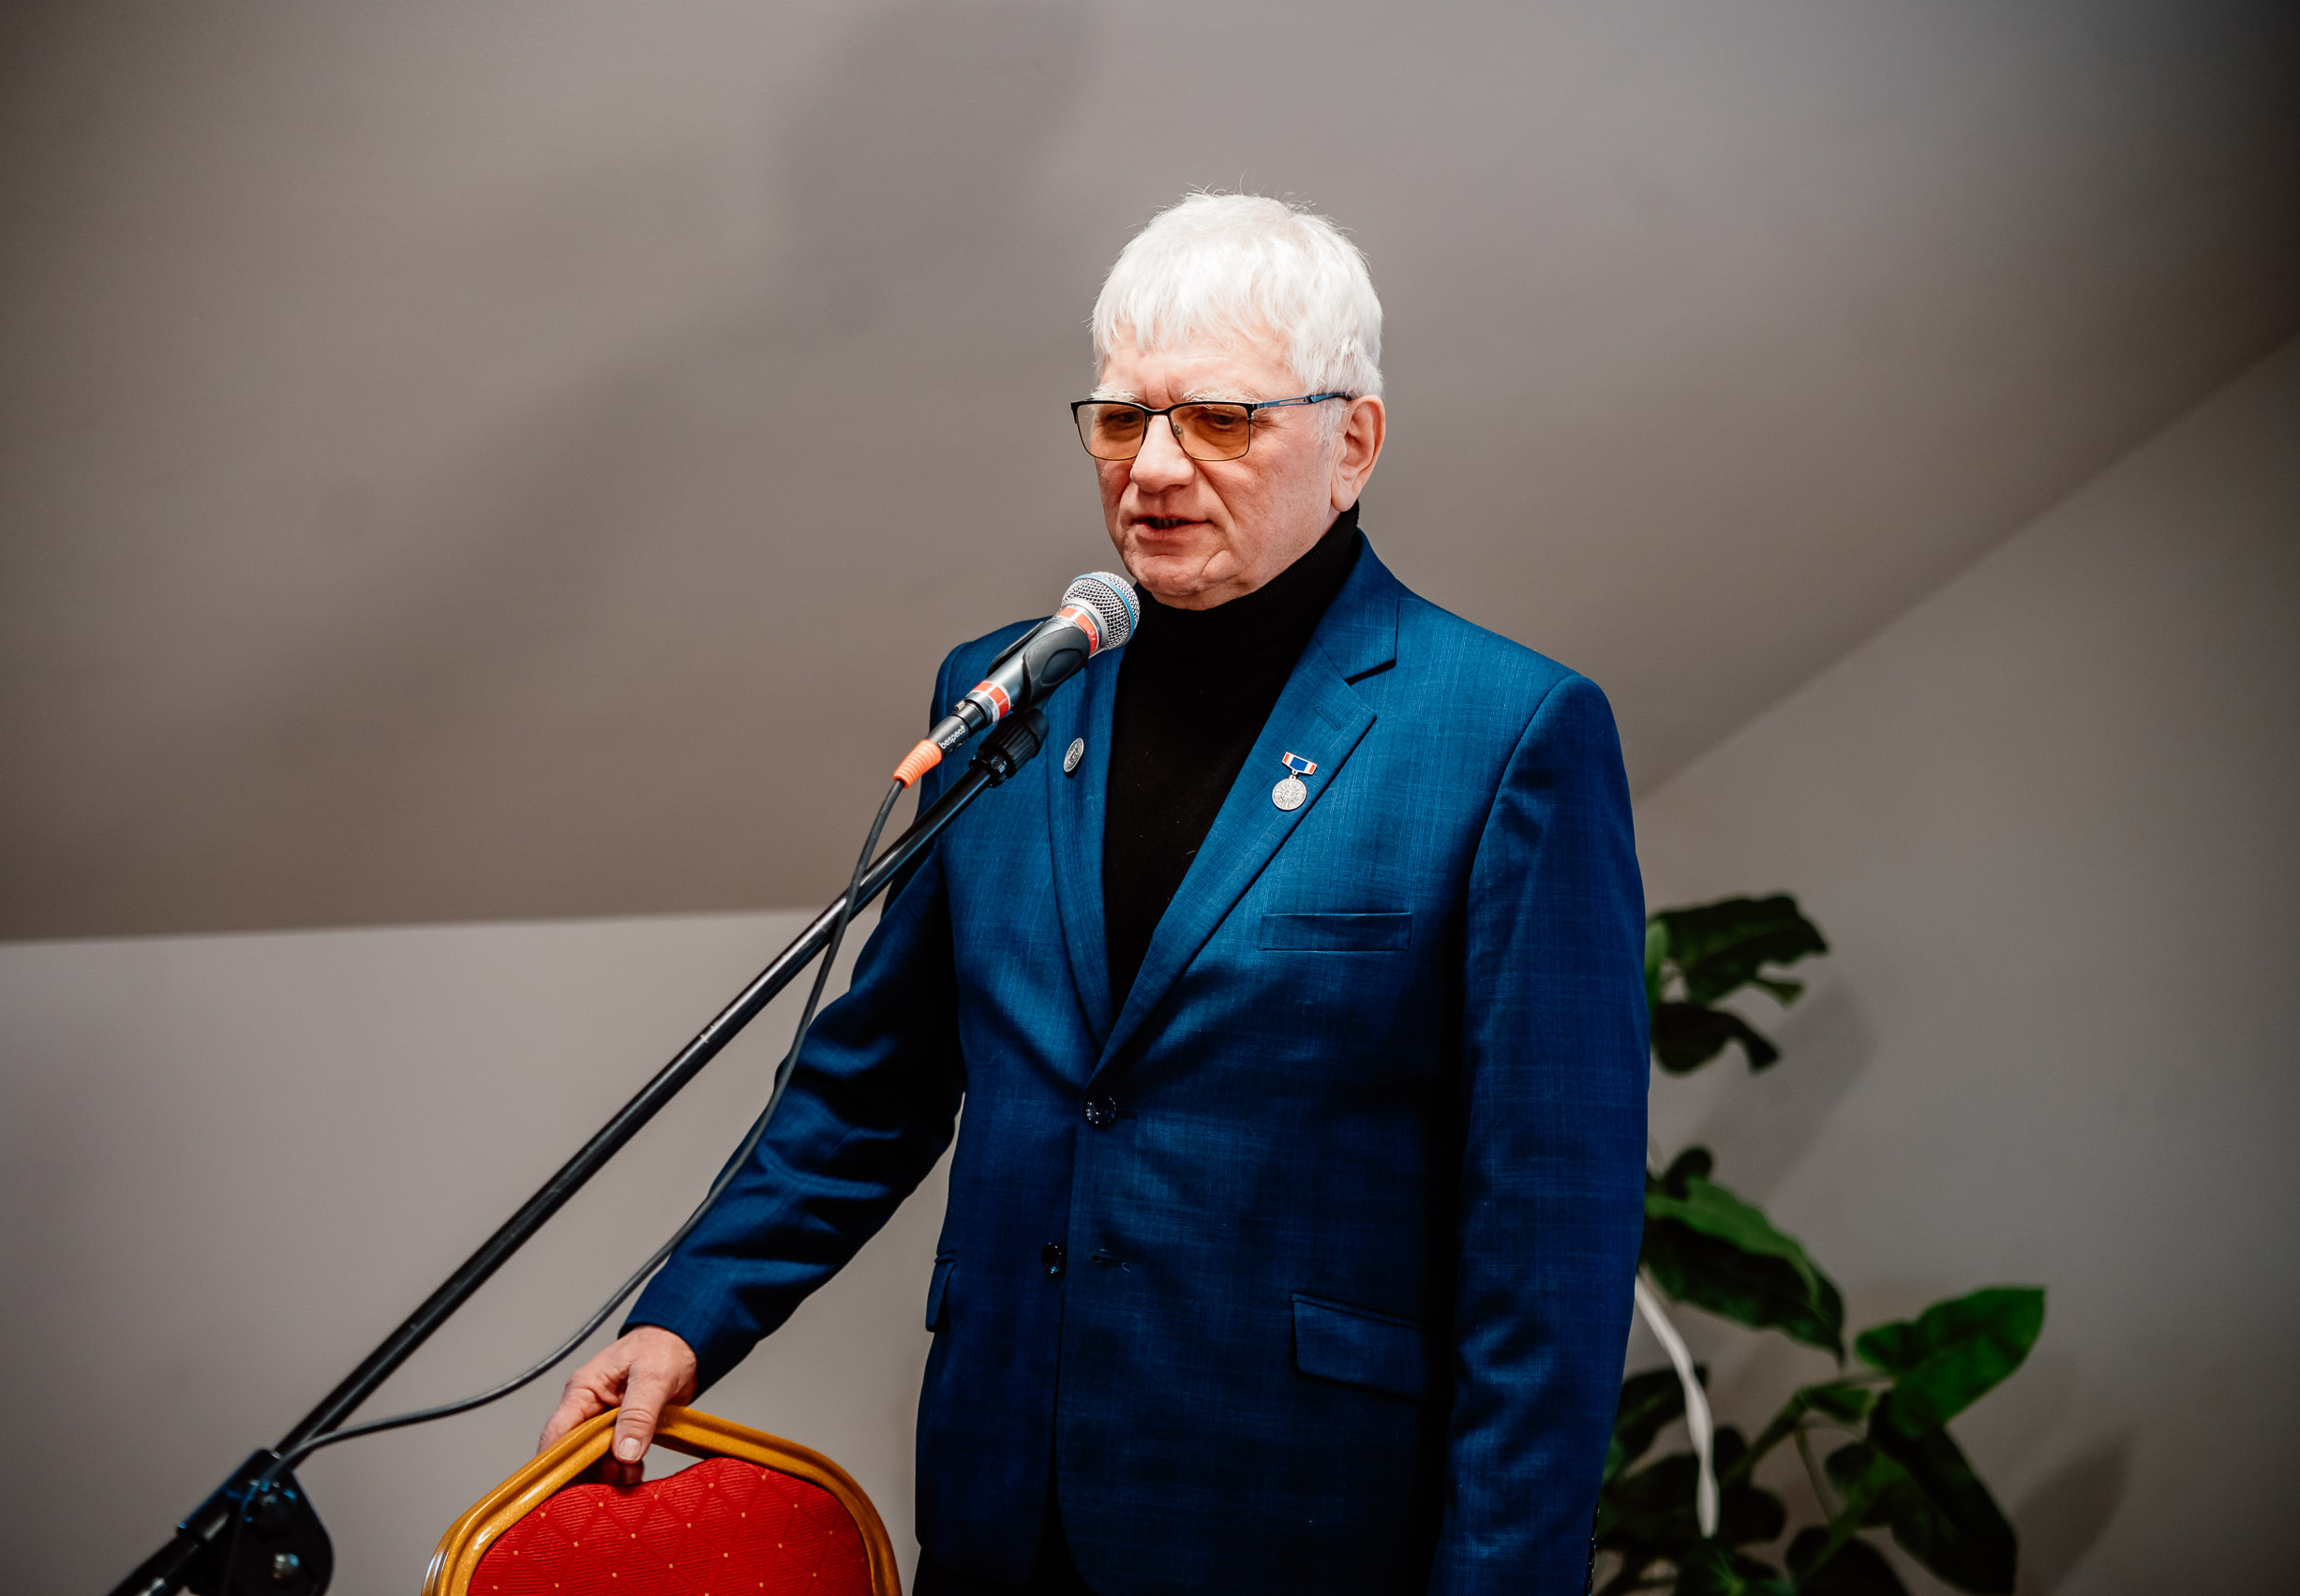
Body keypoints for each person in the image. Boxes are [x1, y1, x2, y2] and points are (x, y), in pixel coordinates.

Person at [538, 193, 1648, 1594]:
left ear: (1353, 443)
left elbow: (1550, 1246)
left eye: (1221, 420)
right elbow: (876, 1082)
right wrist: (688, 1317)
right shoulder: (1008, 692)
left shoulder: (1506, 732)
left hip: (1303, 1525)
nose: (1154, 469)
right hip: (1003, 1500)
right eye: (1123, 419)